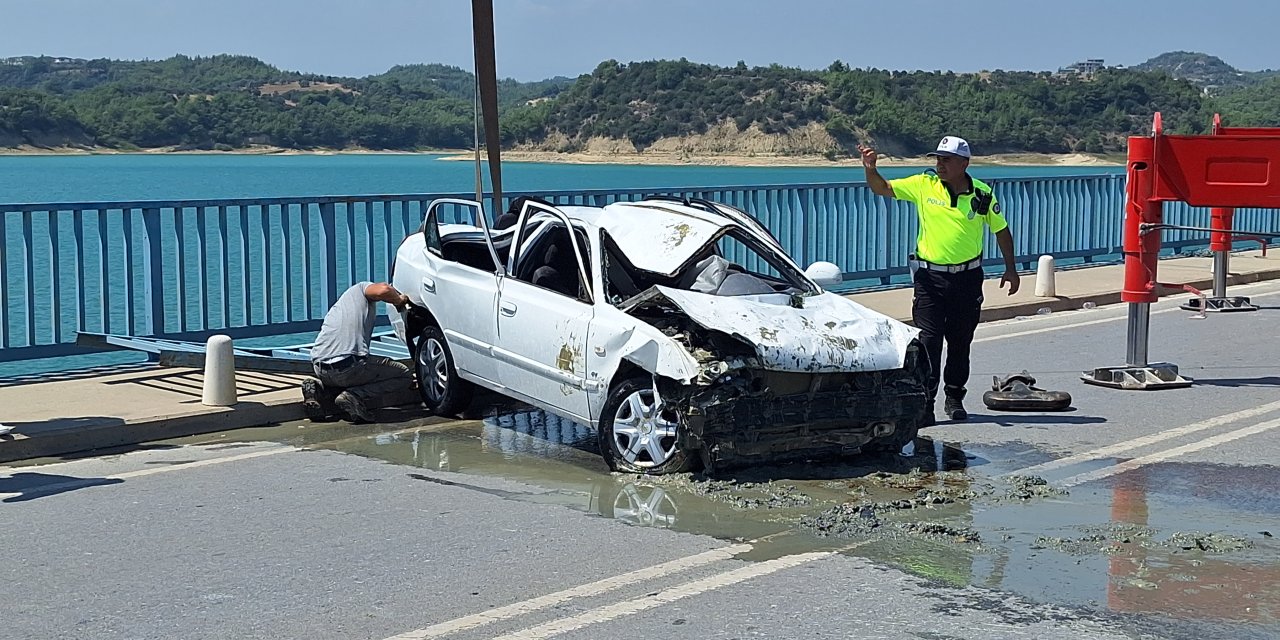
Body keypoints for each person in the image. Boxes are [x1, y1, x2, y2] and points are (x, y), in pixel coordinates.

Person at [858, 136, 1020, 425]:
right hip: (929, 278)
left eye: (946, 159)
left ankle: (954, 397)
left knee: (960, 341)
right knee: (929, 341)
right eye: (937, 159)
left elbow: (1001, 230)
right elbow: (883, 188)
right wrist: (871, 168)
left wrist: (1011, 268)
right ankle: (926, 401)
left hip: (967, 279)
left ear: (964, 163)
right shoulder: (924, 185)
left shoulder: (981, 194)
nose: (939, 164)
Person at [301, 281, 414, 424]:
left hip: (320, 367)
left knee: (345, 376)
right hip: (349, 367)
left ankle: (319, 389)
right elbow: (383, 290)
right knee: (403, 375)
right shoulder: (361, 289)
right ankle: (354, 395)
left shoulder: (342, 306)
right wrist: (399, 300)